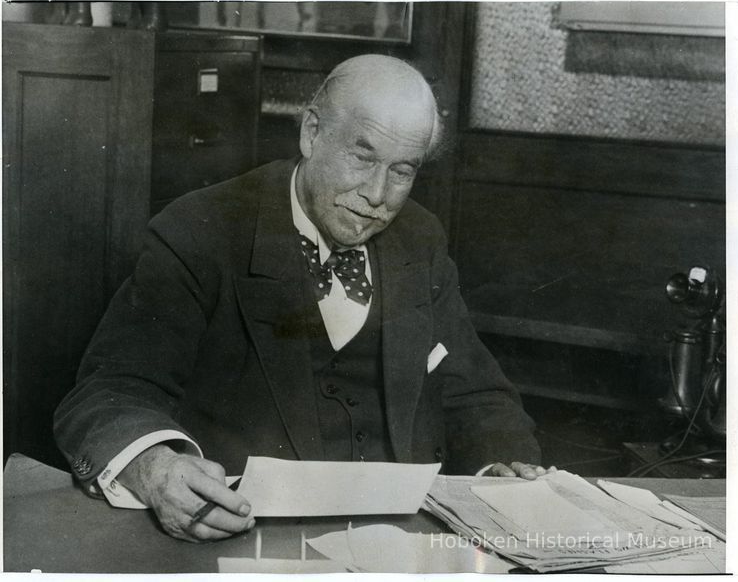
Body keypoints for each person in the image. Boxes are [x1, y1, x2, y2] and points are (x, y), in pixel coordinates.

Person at [54, 54, 548, 543]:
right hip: (245, 536)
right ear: (311, 133)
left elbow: (476, 392)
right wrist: (156, 468)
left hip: (401, 538)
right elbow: (109, 391)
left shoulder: (421, 237)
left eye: (402, 171)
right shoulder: (199, 230)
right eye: (362, 157)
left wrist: (498, 469)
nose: (378, 194)